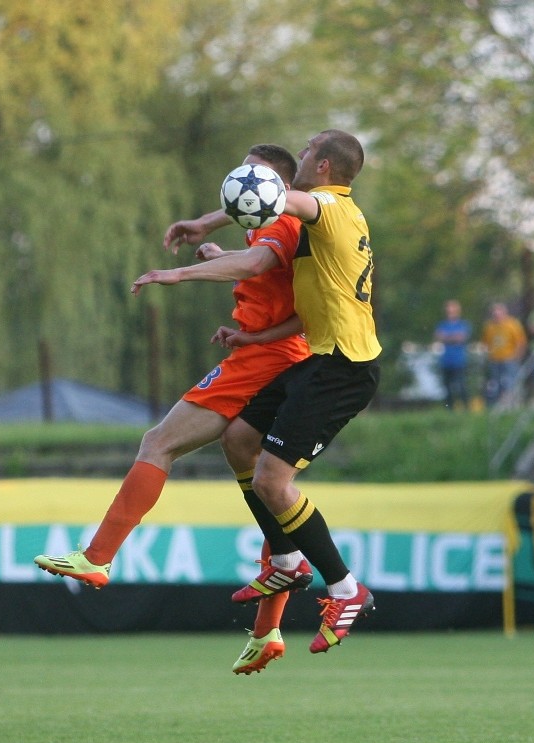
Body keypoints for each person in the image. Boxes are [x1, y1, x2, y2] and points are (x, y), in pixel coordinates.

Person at [33, 144, 310, 674]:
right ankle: (268, 630)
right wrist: (207, 233)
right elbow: (258, 262)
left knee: (159, 442)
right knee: (265, 485)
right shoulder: (270, 216)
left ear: (271, 184)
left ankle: (97, 557)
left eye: (249, 173)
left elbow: (257, 261)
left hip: (263, 360)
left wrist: (177, 274)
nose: (237, 179)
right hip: (274, 355)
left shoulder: (283, 228)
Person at [158, 130, 381, 659]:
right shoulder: (326, 213)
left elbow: (271, 198)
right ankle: (284, 563)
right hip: (322, 359)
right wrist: (213, 228)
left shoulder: (326, 205)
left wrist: (184, 269)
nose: (299, 156)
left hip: (344, 369)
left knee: (272, 479)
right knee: (238, 439)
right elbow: (267, 212)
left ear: (323, 166)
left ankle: (346, 590)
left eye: (306, 152)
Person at [480, 301, 527, 408]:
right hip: (494, 359)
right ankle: (499, 405)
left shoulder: (513, 324)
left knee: (509, 382)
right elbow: (485, 343)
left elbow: (520, 342)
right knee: (496, 384)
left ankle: (510, 405)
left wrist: (517, 356)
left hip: (509, 358)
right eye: (494, 312)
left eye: (499, 312)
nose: (496, 314)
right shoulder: (489, 326)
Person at [434, 299, 471, 410]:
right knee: (448, 388)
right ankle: (450, 410)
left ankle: (466, 408)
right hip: (446, 361)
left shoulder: (463, 324)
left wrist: (447, 338)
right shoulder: (442, 324)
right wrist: (452, 338)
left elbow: (461, 338)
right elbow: (439, 337)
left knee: (461, 386)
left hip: (459, 360)